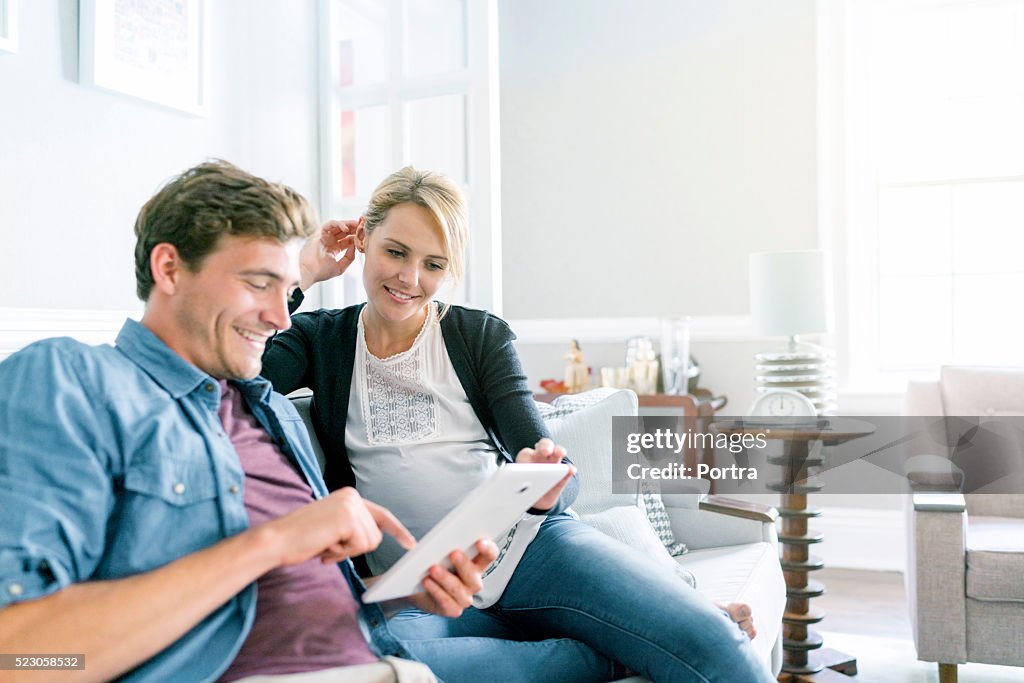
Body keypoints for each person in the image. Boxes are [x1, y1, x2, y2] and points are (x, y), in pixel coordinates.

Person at [0, 160, 508, 683]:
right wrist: (269, 543)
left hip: (382, 663)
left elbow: (310, 607)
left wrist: (408, 589)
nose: (282, 317)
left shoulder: (267, 411)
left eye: (286, 287)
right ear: (169, 269)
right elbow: (18, 660)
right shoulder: (72, 381)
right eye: (259, 284)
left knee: (579, 656)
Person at [261, 166, 772, 683]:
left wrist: (544, 484)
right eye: (395, 252)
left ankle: (643, 638)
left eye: (432, 263)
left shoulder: (478, 336)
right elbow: (242, 380)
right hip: (427, 588)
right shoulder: (317, 339)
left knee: (714, 642)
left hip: (532, 552)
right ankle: (611, 654)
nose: (409, 278)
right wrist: (303, 274)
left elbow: (555, 472)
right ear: (364, 239)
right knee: (380, 662)